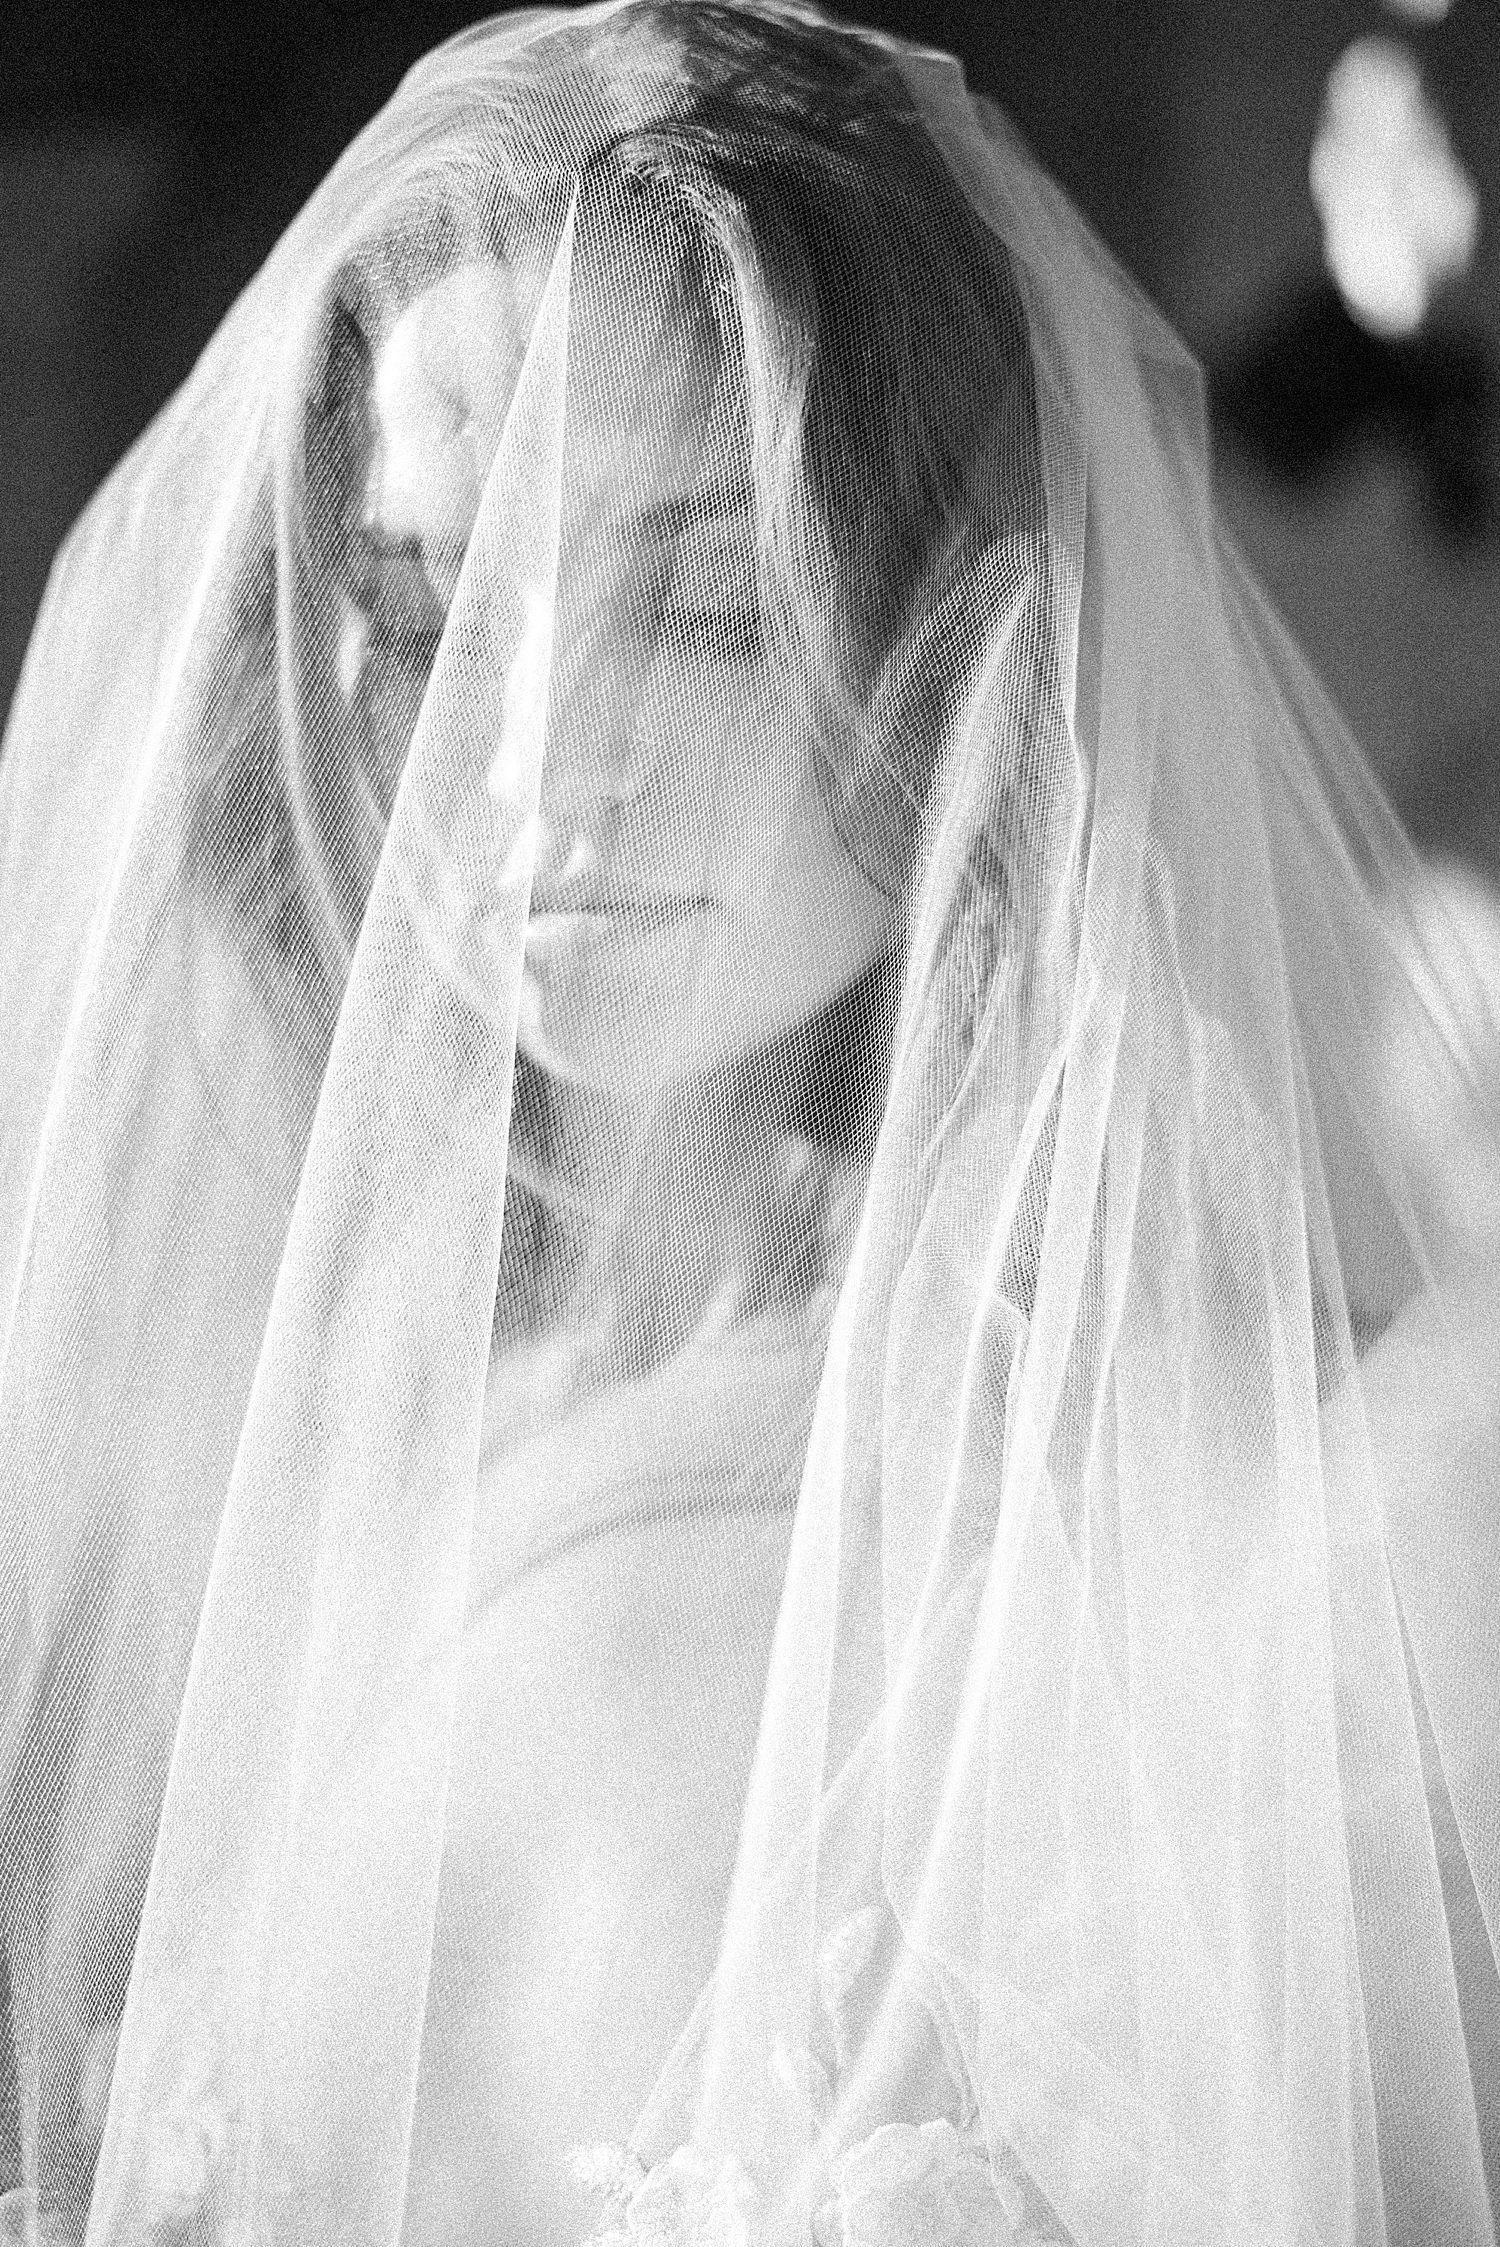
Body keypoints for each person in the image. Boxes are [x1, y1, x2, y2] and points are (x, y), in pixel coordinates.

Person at [1, 4, 1496, 2242]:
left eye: (702, 601)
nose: (537, 764)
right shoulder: (322, 1430)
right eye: (422, 603)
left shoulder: (1241, 1569)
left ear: (972, 637)